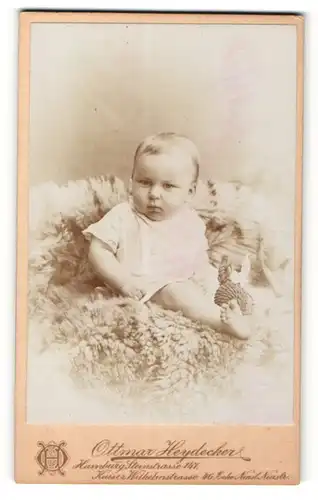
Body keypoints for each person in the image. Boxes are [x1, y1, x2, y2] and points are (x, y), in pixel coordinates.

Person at [83, 132, 252, 340]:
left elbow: (199, 261)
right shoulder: (123, 215)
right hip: (145, 288)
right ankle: (220, 322)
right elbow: (98, 251)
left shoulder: (191, 221)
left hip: (188, 282)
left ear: (190, 192)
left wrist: (211, 284)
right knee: (175, 291)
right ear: (132, 182)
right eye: (145, 182)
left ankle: (232, 310)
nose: (154, 193)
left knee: (220, 285)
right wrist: (122, 281)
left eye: (168, 186)